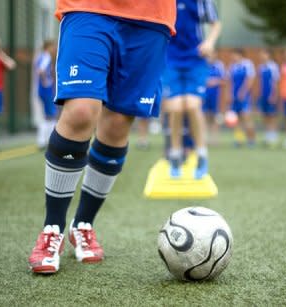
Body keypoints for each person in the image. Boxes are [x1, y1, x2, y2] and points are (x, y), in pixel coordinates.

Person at [28, 1, 176, 274]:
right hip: (89, 7)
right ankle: (53, 228)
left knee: (118, 122)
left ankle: (83, 224)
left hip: (151, 15)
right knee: (81, 111)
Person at [162, 0, 222, 179]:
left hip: (196, 59)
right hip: (170, 60)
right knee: (177, 107)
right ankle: (175, 155)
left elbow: (216, 23)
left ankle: (202, 156)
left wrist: (209, 42)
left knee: (193, 106)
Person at [228, 48, 256, 147]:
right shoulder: (232, 66)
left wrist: (243, 92)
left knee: (246, 118)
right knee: (237, 120)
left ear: (240, 55)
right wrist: (230, 94)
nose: (233, 57)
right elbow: (231, 82)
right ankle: (239, 140)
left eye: (234, 55)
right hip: (235, 97)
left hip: (245, 97)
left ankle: (251, 140)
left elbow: (250, 79)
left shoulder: (247, 64)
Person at [35, 40, 57, 149]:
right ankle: (46, 140)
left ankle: (44, 140)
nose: (54, 49)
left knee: (48, 115)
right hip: (46, 90)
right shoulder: (46, 56)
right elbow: (41, 71)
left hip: (42, 90)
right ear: (48, 47)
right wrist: (46, 82)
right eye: (53, 46)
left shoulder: (40, 57)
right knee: (51, 115)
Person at [257, 48, 280, 146]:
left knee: (272, 116)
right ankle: (267, 136)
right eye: (261, 54)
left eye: (264, 54)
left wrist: (274, 94)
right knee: (265, 115)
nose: (262, 56)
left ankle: (273, 136)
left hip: (271, 95)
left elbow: (275, 82)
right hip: (263, 95)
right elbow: (260, 82)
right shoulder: (261, 67)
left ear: (268, 55)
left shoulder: (273, 66)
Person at [203, 52, 225, 145]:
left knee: (215, 117)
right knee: (205, 116)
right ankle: (205, 138)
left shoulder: (219, 66)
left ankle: (214, 139)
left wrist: (215, 82)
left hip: (215, 96)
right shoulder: (202, 65)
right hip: (204, 95)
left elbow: (224, 81)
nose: (210, 57)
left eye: (212, 55)